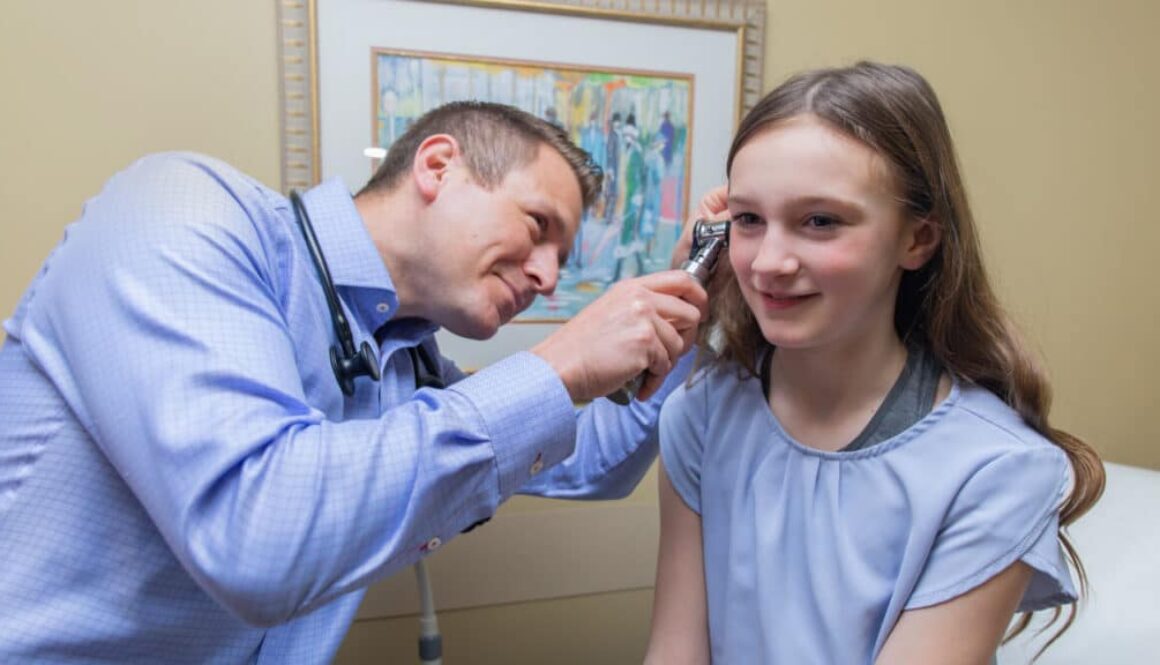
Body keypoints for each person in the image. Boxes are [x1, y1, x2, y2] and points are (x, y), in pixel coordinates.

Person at [0, 101, 708, 662]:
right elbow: (258, 537)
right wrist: (559, 363)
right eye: (537, 224)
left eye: (561, 254)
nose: (549, 277)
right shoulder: (182, 210)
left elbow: (593, 462)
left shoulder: (401, 360)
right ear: (437, 167)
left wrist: (689, 304)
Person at [644, 62, 1104, 664]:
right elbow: (676, 652)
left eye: (820, 221)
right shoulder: (701, 416)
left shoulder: (997, 471)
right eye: (750, 220)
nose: (769, 263)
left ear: (918, 240)